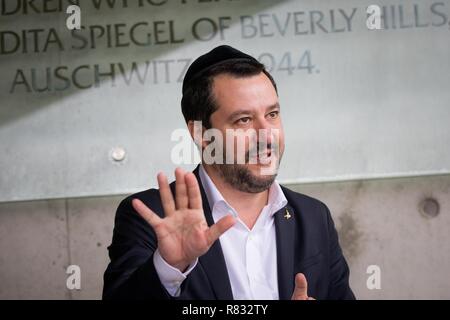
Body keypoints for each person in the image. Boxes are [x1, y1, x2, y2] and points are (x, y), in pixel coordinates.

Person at [102, 45, 355, 300]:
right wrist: (168, 267)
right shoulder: (153, 217)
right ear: (201, 133)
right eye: (243, 120)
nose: (267, 135)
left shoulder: (313, 217)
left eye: (272, 114)